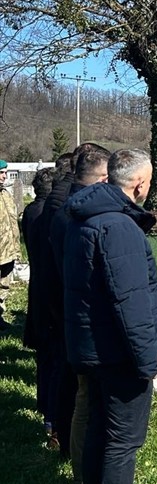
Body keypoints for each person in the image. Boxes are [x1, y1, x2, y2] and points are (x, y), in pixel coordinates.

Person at [63, 149, 157, 484]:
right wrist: (146, 359)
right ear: (138, 183)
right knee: (123, 439)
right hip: (118, 352)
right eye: (149, 180)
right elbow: (131, 301)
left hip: (92, 345)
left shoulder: (83, 217)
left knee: (99, 431)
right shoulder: (118, 227)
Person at [50, 148, 111, 484]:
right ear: (103, 180)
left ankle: (78, 461)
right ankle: (86, 471)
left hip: (67, 310)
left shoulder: (64, 212)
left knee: (80, 393)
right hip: (84, 315)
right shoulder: (78, 217)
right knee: (87, 397)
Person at [21, 167, 56, 435]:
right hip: (50, 286)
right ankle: (50, 408)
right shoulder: (47, 215)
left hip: (38, 285)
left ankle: (43, 400)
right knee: (52, 352)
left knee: (44, 352)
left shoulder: (32, 212)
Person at [0, 159, 19, 331]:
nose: (4, 176)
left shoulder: (5, 194)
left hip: (8, 250)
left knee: (3, 286)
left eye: (5, 172)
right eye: (1, 173)